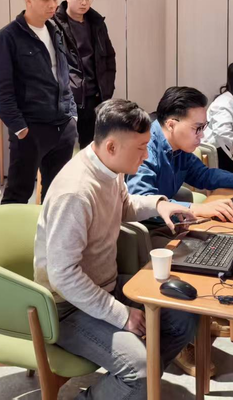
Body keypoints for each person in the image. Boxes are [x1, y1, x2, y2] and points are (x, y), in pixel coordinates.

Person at [34, 99, 198, 399]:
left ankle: (133, 388)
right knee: (140, 370)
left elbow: (124, 206)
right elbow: (63, 276)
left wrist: (160, 204)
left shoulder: (110, 167)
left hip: (106, 285)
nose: (147, 155)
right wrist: (121, 315)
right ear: (111, 146)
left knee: (184, 317)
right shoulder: (75, 192)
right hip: (66, 307)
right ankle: (129, 384)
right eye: (141, 148)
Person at [127, 86, 233, 223]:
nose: (202, 135)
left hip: (170, 221)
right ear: (171, 125)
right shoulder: (145, 150)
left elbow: (203, 175)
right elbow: (143, 202)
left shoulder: (179, 146)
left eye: (204, 127)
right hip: (147, 229)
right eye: (197, 128)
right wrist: (197, 208)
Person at [0, 0, 77, 204]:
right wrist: (20, 128)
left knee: (57, 196)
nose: (53, 5)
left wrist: (72, 115)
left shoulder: (56, 31)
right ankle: (8, 231)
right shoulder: (6, 38)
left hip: (63, 126)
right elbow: (1, 92)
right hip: (31, 129)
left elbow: (63, 75)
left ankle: (47, 230)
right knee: (17, 195)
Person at [53, 0, 117, 148]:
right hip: (67, 99)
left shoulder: (96, 23)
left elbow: (109, 57)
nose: (84, 2)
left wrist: (107, 90)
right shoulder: (54, 24)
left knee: (91, 148)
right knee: (63, 150)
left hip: (95, 97)